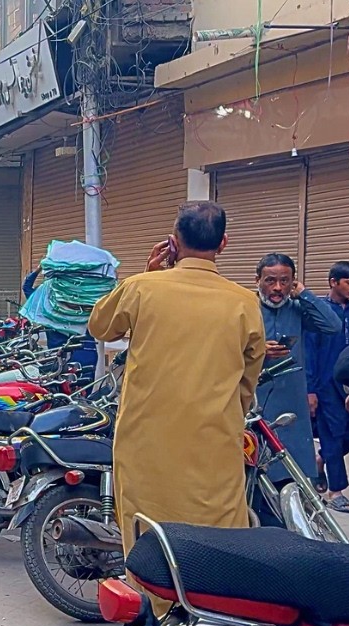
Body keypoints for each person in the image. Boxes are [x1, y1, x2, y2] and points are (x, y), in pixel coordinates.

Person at [87, 201, 265, 577]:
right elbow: (249, 375)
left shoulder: (141, 288)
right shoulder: (244, 302)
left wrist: (146, 273)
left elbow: (100, 327)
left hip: (146, 439)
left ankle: (154, 613)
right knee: (215, 531)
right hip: (213, 441)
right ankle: (213, 613)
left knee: (147, 530)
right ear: (224, 244)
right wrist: (229, 413)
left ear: (173, 241)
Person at [254, 253, 341, 518]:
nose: (277, 288)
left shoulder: (298, 309)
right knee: (256, 472)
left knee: (294, 478)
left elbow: (333, 326)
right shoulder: (246, 308)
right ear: (257, 280)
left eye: (285, 281)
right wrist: (258, 350)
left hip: (292, 403)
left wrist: (304, 293)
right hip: (254, 402)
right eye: (270, 281)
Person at [305, 261, 349, 512]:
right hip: (325, 383)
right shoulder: (318, 312)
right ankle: (335, 491)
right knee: (332, 434)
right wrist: (310, 389)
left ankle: (321, 460)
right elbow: (309, 353)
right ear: (333, 282)